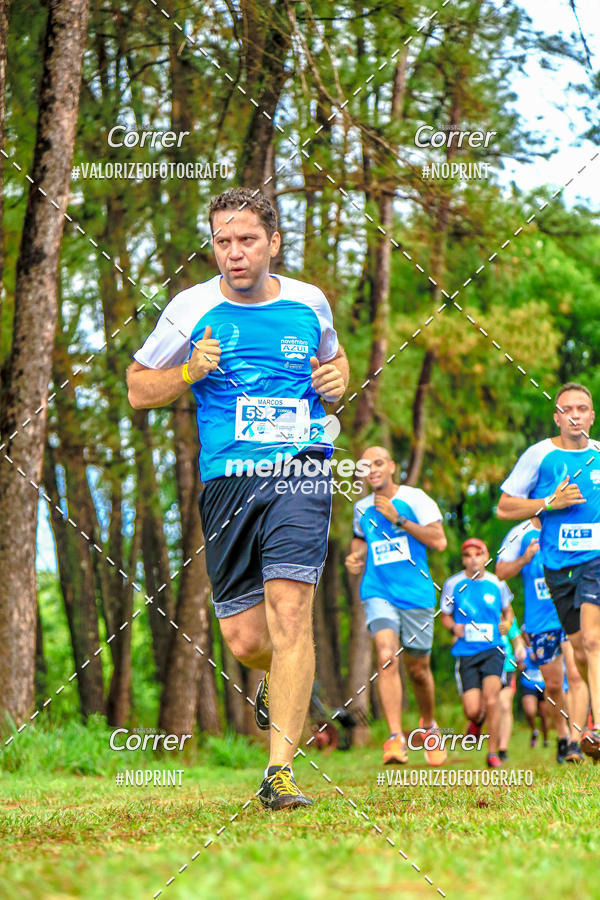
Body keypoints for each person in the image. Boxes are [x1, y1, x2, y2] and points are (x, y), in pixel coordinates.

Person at [127, 188, 349, 809]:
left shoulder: (309, 301)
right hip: (228, 480)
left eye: (246, 239)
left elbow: (335, 365)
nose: (234, 253)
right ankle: (278, 681)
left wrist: (337, 380)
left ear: (273, 242)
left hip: (300, 471)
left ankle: (279, 772)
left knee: (291, 613)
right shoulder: (190, 307)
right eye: (222, 241)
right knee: (248, 642)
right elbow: (138, 389)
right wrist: (188, 374)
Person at [497, 382, 600, 760]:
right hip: (557, 567)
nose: (575, 415)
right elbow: (505, 508)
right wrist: (548, 503)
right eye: (567, 409)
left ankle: (595, 731)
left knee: (591, 640)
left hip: (596, 560)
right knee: (583, 651)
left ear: (591, 415)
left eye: (582, 408)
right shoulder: (538, 456)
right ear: (557, 417)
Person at [345, 446, 447, 766]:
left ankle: (428, 725)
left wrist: (398, 519)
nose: (372, 469)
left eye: (378, 463)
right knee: (386, 656)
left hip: (416, 593)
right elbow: (360, 538)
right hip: (378, 590)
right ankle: (394, 738)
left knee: (418, 670)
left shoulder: (416, 499)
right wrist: (355, 555)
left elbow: (439, 540)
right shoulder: (361, 508)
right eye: (365, 465)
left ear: (391, 466)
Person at [496, 517, 588, 763]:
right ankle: (562, 735)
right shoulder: (520, 533)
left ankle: (575, 742)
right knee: (554, 685)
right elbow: (500, 572)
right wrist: (525, 558)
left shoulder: (569, 524)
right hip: (539, 624)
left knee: (577, 676)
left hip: (569, 612)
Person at [440, 538, 516, 768]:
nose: (473, 559)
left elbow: (508, 611)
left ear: (485, 557)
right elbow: (445, 615)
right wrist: (454, 627)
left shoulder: (497, 583)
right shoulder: (453, 584)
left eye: (478, 554)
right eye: (468, 555)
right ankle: (476, 722)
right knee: (473, 709)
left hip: (493, 648)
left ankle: (492, 753)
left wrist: (507, 623)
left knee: (492, 701)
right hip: (466, 652)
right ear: (464, 560)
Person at [498, 616, 526, 761]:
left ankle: (502, 749)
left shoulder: (507, 615)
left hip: (507, 666)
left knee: (505, 704)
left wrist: (520, 647)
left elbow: (516, 637)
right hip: (484, 663)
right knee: (490, 706)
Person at [519, 646, 550, 748]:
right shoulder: (523, 649)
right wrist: (520, 663)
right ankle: (534, 731)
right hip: (528, 684)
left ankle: (546, 740)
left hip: (544, 685)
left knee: (544, 715)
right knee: (530, 711)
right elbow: (517, 665)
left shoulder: (546, 644)